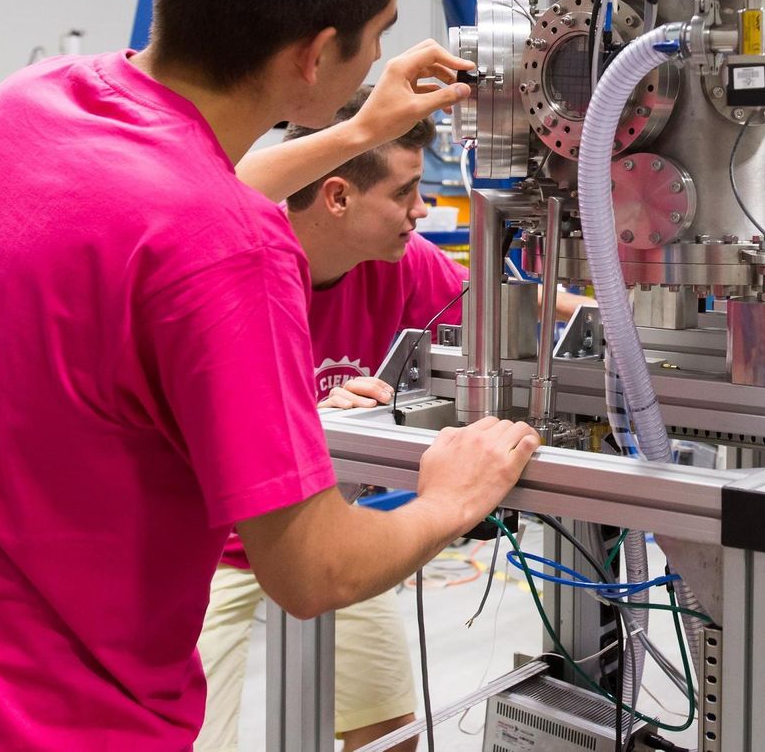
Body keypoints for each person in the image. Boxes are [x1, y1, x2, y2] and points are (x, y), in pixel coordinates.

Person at [0, 0, 540, 750]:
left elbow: (168, 205)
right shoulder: (231, 252)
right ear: (316, 55)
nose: (377, 57)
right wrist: (449, 496)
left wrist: (361, 124)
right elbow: (311, 570)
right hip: (74, 726)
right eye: (379, 33)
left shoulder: (21, 110)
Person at [198, 90, 589, 751]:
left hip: (332, 518)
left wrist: (597, 306)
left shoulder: (403, 264)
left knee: (389, 733)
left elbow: (495, 299)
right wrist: (304, 416)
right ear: (338, 197)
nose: (422, 208)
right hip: (214, 544)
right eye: (406, 191)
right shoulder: (238, 265)